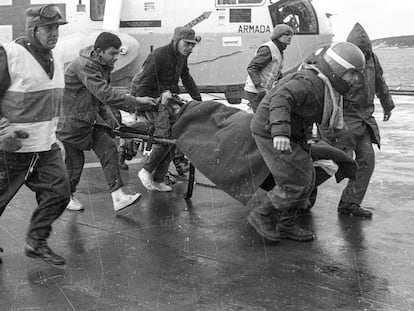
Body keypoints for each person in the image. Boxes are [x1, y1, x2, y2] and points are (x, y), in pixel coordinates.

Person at [248, 41, 366, 242]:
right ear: (338, 69)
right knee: (296, 180)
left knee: (308, 177)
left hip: (292, 131)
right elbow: (280, 99)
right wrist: (280, 133)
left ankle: (287, 224)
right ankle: (262, 215)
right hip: (270, 131)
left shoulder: (326, 86)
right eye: (352, 73)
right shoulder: (310, 83)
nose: (354, 79)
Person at [0, 4, 70, 267]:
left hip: (45, 146)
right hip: (10, 149)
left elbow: (49, 103)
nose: (54, 33)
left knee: (60, 192)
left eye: (57, 28)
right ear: (33, 29)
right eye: (48, 28)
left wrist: (55, 136)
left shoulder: (55, 58)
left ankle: (36, 241)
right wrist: (3, 130)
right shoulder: (9, 55)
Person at [57, 32, 156, 211]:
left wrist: (113, 123)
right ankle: (66, 197)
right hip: (71, 121)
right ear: (98, 51)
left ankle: (118, 197)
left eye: (118, 52)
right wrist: (137, 101)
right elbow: (104, 93)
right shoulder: (84, 65)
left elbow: (99, 99)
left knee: (109, 149)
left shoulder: (100, 64)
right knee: (74, 162)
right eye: (112, 53)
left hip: (88, 118)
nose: (116, 57)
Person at [333, 23, 395, 218]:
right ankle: (299, 200)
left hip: (365, 119)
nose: (365, 55)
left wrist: (388, 104)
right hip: (344, 119)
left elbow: (380, 82)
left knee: (367, 161)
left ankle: (350, 203)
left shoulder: (373, 59)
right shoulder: (342, 60)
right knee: (330, 162)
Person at [131, 26, 202, 192]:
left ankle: (158, 179)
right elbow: (142, 87)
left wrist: (197, 99)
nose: (190, 47)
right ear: (176, 41)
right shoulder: (158, 56)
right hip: (152, 100)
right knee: (166, 136)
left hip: (169, 100)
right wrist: (143, 110)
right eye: (187, 43)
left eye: (193, 44)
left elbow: (186, 77)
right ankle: (146, 171)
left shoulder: (182, 56)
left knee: (174, 138)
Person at [244, 24, 294, 112]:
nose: (290, 37)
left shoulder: (279, 50)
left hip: (265, 91)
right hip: (256, 91)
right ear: (278, 36)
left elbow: (275, 70)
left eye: (291, 35)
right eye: (286, 34)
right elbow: (252, 68)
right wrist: (259, 87)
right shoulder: (268, 49)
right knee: (262, 118)